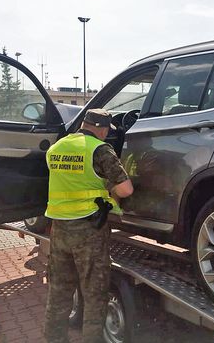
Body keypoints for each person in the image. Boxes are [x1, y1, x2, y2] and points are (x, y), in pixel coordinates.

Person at [43, 109, 133, 343]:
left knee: (59, 294)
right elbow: (125, 190)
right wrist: (110, 194)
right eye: (106, 131)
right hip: (89, 231)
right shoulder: (99, 150)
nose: (106, 135)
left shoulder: (57, 147)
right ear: (102, 129)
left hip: (59, 230)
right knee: (94, 295)